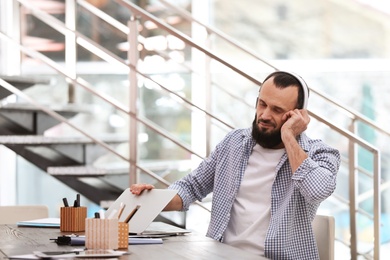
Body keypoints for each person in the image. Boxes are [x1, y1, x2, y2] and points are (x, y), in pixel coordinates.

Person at [130, 71, 341, 259]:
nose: (265, 115)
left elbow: (317, 190)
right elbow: (191, 187)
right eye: (262, 104)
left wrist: (289, 137)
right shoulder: (234, 143)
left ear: (298, 115)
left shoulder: (319, 153)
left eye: (277, 110)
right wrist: (154, 199)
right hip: (221, 254)